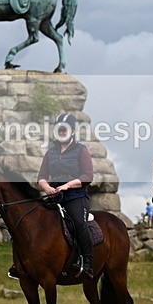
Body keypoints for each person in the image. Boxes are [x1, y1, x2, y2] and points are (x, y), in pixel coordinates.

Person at [38, 113, 95, 278]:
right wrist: (46, 187)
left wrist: (67, 185)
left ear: (73, 131)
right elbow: (41, 176)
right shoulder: (50, 153)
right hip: (54, 196)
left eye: (65, 129)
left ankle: (88, 263)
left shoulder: (81, 150)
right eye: (59, 129)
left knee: (78, 222)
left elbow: (87, 176)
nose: (62, 132)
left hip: (75, 196)